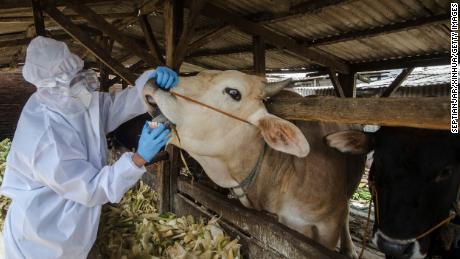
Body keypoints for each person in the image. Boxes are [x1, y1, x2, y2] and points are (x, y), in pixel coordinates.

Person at [0, 36, 177, 259]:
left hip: (76, 231)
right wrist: (138, 158)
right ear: (52, 87)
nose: (82, 86)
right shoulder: (44, 139)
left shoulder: (69, 99)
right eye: (73, 81)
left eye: (79, 75)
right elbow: (92, 189)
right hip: (41, 242)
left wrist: (149, 82)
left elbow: (112, 106)